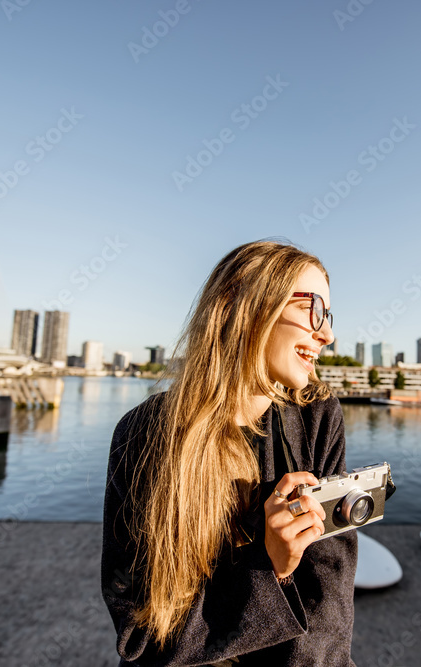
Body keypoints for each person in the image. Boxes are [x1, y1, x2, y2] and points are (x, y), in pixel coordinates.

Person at [101, 240, 358, 666]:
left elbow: (330, 609)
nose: (327, 334)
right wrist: (268, 566)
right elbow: (141, 637)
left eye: (328, 317)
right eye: (313, 309)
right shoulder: (144, 435)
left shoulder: (318, 417)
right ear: (245, 305)